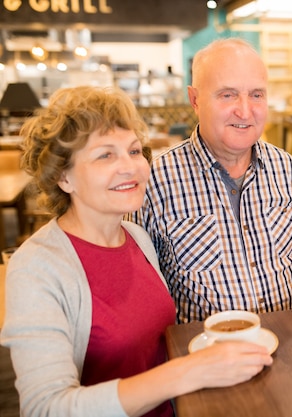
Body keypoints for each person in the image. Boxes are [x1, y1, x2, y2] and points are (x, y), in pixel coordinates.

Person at [0, 86, 272, 417]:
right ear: (63, 177)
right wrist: (186, 373)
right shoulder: (38, 267)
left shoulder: (137, 237)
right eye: (105, 155)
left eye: (133, 151)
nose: (130, 167)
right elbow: (45, 408)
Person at [130, 38, 292, 323]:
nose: (245, 111)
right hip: (204, 357)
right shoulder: (155, 183)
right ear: (195, 100)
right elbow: (137, 295)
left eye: (257, 95)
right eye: (228, 95)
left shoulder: (290, 172)